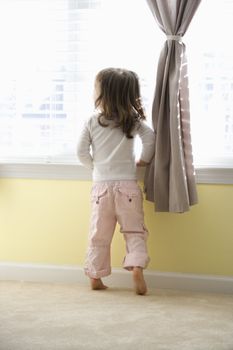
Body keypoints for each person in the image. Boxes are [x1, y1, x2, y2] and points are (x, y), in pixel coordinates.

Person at [77, 67, 155, 295]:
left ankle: (95, 276)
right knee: (134, 231)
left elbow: (81, 152)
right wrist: (144, 160)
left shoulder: (93, 121)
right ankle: (137, 267)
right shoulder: (132, 120)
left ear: (103, 94)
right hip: (128, 187)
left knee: (99, 234)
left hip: (101, 187)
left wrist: (97, 168)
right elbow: (150, 138)